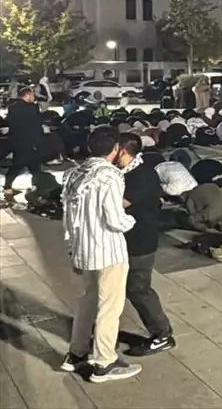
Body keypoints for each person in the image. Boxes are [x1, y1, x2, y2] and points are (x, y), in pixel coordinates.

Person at [60, 130, 142, 382]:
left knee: (87, 301)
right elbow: (114, 218)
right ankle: (105, 362)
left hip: (83, 249)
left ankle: (76, 353)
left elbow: (68, 216)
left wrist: (73, 249)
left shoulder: (74, 174)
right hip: (108, 251)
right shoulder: (110, 175)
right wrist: (131, 221)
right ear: (116, 148)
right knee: (109, 307)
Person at [115, 134, 175, 356]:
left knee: (138, 288)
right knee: (125, 287)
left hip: (140, 241)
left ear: (122, 150)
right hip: (127, 238)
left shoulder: (142, 175)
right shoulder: (126, 172)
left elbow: (119, 204)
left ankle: (162, 334)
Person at [4, 87, 44, 192]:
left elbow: (9, 122)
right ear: (27, 95)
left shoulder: (12, 107)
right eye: (32, 95)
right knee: (21, 165)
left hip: (17, 141)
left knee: (31, 166)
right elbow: (36, 125)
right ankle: (8, 187)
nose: (34, 97)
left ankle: (37, 186)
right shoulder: (33, 108)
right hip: (29, 141)